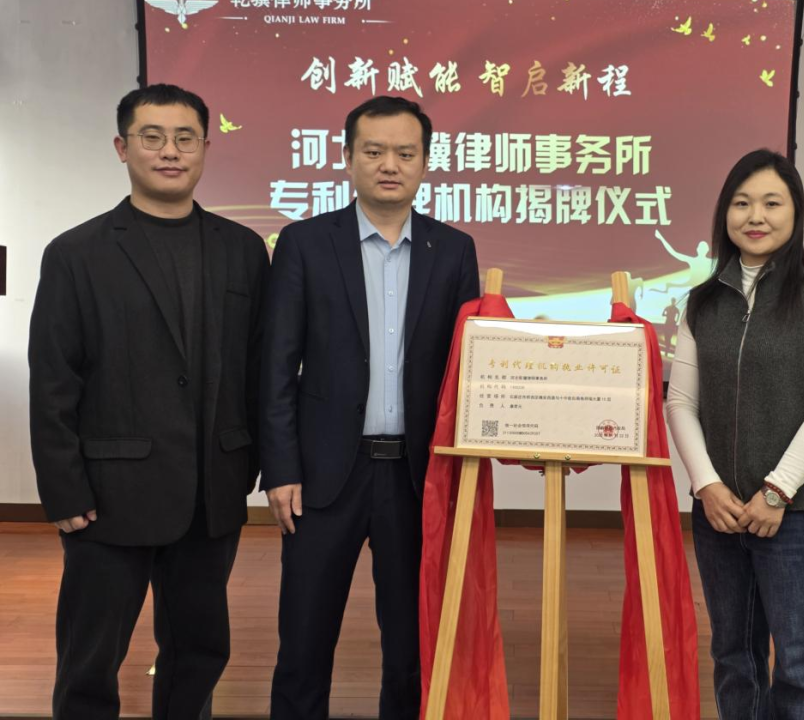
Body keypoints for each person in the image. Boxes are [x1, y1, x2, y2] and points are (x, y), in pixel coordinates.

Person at [28, 84, 268, 719]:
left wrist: (251, 464)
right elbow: (53, 378)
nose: (170, 151)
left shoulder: (243, 249)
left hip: (211, 492)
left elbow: (256, 366)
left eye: (185, 138)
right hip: (108, 497)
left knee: (199, 651)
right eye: (152, 137)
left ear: (205, 148)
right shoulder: (77, 253)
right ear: (122, 147)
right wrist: (63, 488)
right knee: (90, 657)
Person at [261, 95, 479, 718]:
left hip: (414, 478)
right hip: (322, 476)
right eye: (374, 151)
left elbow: (465, 369)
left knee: (411, 648)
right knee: (304, 643)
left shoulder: (453, 249)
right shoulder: (304, 243)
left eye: (405, 153)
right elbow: (276, 365)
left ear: (425, 162)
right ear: (348, 157)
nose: (390, 165)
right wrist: (280, 469)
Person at [666, 149, 804, 720]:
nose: (756, 216)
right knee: (734, 659)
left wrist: (777, 491)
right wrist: (706, 486)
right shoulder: (702, 303)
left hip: (796, 516)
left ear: (795, 211)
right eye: (741, 203)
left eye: (772, 203)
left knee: (800, 668)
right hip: (720, 513)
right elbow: (681, 403)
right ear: (724, 213)